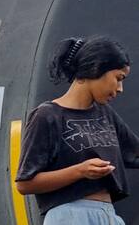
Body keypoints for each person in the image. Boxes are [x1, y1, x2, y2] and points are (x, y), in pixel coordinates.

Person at [16, 36, 139, 223]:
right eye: (118, 78)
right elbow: (25, 184)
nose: (120, 88)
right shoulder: (47, 115)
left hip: (108, 215)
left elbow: (135, 153)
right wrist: (80, 171)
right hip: (70, 216)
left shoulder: (105, 114)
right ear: (96, 68)